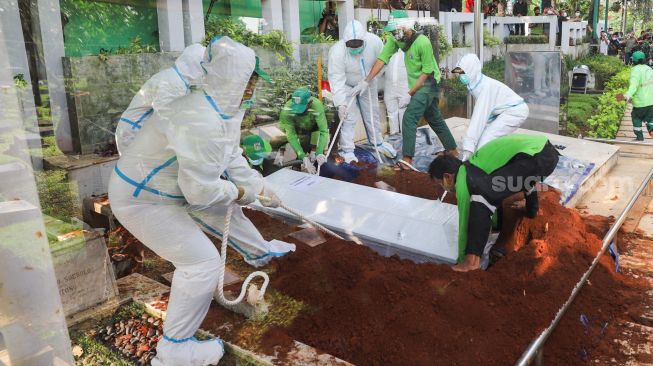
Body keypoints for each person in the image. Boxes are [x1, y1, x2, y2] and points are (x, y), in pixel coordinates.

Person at [108, 36, 296, 366]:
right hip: (143, 200)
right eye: (251, 81)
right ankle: (175, 350)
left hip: (166, 190)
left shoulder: (220, 109)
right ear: (233, 79)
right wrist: (241, 193)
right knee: (201, 263)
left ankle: (257, 251)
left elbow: (230, 154)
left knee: (224, 213)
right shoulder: (200, 119)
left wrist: (258, 186)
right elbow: (201, 192)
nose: (254, 89)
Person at [428, 134, 559, 272]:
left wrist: (461, 259)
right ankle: (532, 210)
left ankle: (471, 262)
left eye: (440, 184)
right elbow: (524, 178)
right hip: (543, 153)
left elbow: (465, 222)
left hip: (535, 156)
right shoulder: (476, 167)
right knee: (502, 187)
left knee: (481, 198)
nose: (445, 189)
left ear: (447, 177)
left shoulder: (464, 179)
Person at [358, 16, 458, 169]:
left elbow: (426, 72)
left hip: (429, 82)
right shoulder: (396, 39)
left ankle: (407, 159)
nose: (394, 35)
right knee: (434, 117)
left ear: (407, 27)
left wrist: (409, 94)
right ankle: (452, 150)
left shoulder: (422, 42)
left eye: (396, 31)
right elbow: (382, 58)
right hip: (418, 84)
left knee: (409, 117)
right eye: (391, 32)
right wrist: (367, 80)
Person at [115, 44, 205, 155]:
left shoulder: (177, 79)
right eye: (203, 66)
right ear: (195, 64)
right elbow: (165, 118)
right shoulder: (172, 82)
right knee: (138, 170)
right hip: (134, 132)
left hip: (140, 132)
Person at [328, 20, 397, 163]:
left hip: (368, 82)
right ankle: (347, 150)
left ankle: (377, 143)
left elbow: (383, 62)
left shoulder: (375, 42)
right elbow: (336, 78)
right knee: (348, 117)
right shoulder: (337, 51)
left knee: (372, 113)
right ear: (345, 41)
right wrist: (341, 103)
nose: (354, 47)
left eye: (357, 44)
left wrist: (369, 80)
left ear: (364, 39)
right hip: (347, 85)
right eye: (350, 44)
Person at [452, 54, 529, 160]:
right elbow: (485, 116)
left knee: (486, 140)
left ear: (472, 70)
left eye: (462, 72)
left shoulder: (485, 87)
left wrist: (468, 148)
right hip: (503, 111)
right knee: (482, 139)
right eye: (459, 73)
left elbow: (479, 118)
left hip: (515, 111)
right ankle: (492, 158)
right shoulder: (476, 84)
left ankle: (483, 167)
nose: (460, 76)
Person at [279, 88, 330, 173]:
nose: (299, 112)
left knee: (313, 147)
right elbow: (291, 136)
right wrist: (302, 156)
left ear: (310, 103)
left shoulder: (317, 106)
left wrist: (319, 152)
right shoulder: (286, 112)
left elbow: (323, 131)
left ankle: (317, 161)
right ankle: (298, 163)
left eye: (302, 108)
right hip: (298, 126)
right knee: (304, 145)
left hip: (313, 124)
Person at [617, 51, 653, 141]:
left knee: (636, 117)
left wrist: (627, 95)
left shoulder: (635, 70)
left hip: (640, 103)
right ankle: (652, 130)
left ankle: (639, 137)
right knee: (650, 118)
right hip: (651, 101)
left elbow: (634, 85)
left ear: (633, 61)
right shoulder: (650, 69)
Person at [383, 50, 410, 136]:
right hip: (389, 87)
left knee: (404, 112)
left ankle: (405, 137)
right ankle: (394, 136)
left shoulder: (408, 52)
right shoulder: (387, 51)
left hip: (404, 87)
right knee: (391, 113)